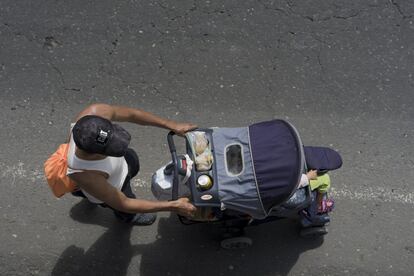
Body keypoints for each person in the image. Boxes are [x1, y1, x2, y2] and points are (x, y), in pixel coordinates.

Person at [66, 103, 197, 225]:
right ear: (95, 154)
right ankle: (128, 217)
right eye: (110, 149)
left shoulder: (94, 113)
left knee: (132, 159)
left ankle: (84, 192)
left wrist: (172, 125)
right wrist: (172, 206)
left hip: (117, 169)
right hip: (116, 186)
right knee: (119, 205)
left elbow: (132, 115)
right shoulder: (86, 175)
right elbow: (124, 203)